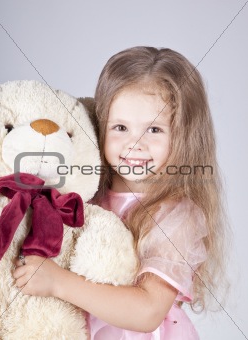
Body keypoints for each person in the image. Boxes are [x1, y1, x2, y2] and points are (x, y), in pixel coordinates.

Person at [13, 46, 230, 339]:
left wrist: (57, 283)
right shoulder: (88, 197)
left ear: (184, 135)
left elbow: (148, 312)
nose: (134, 144)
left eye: (154, 129)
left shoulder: (176, 215)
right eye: (120, 127)